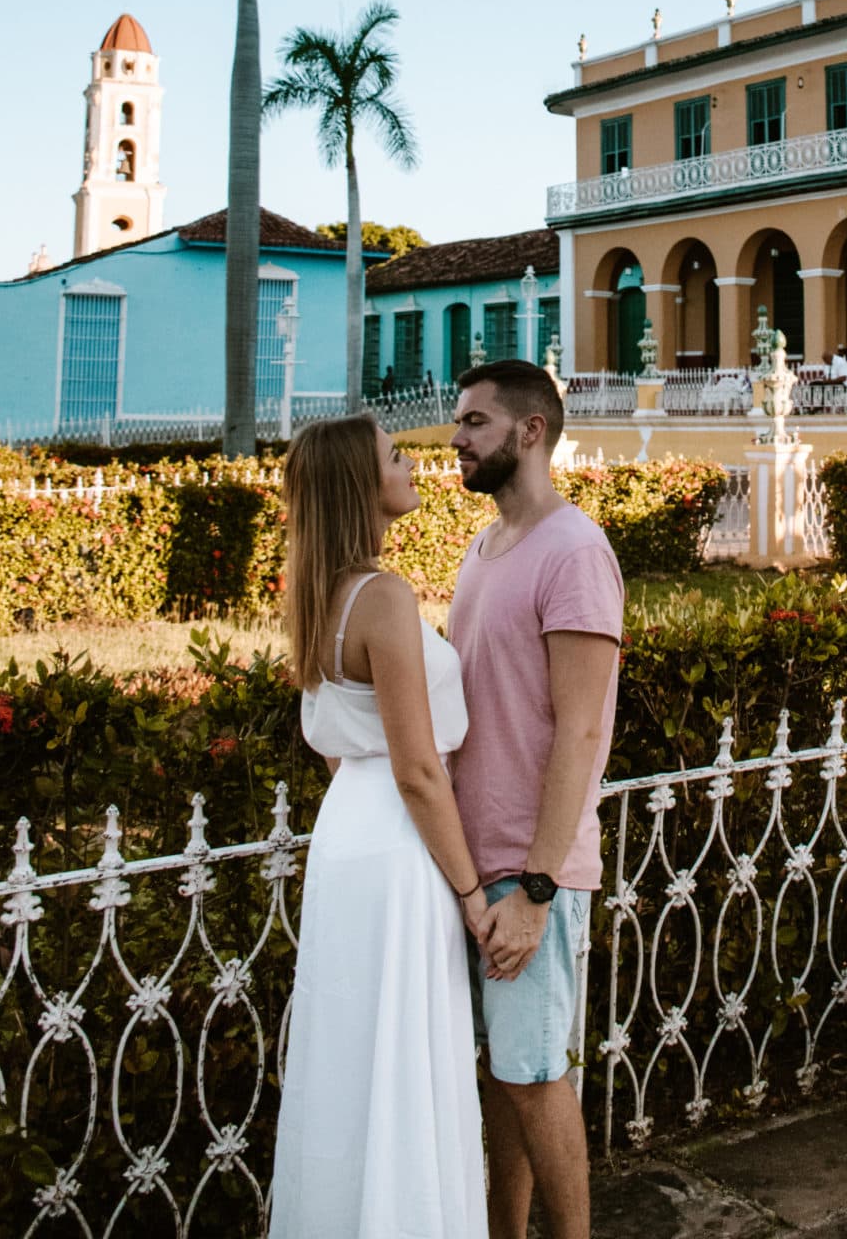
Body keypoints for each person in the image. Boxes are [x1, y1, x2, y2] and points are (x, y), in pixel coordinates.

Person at [270, 413, 490, 1238]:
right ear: (364, 486)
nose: (412, 463)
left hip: (345, 832)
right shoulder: (385, 596)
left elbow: (341, 746)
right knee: (402, 1053)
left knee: (351, 1050)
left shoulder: (320, 594)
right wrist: (471, 891)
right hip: (397, 845)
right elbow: (419, 769)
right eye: (396, 456)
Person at [447, 360, 625, 1239]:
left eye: (475, 422)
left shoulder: (575, 551)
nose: (456, 439)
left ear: (530, 432)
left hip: (530, 873)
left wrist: (539, 887)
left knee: (532, 1074)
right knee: (503, 1076)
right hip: (474, 869)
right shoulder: (481, 552)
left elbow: (579, 734)